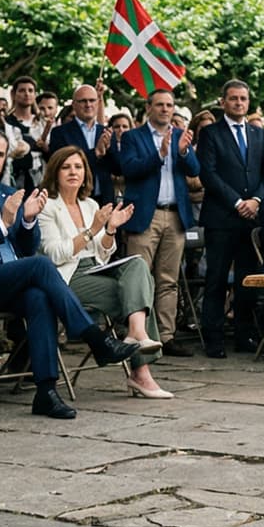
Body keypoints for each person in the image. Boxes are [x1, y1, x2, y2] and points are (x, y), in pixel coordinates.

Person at [0, 126, 139, 419]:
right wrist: (2, 224)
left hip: (8, 279)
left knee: (39, 297)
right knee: (41, 266)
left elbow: (27, 247)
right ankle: (94, 336)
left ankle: (46, 391)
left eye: (0, 154)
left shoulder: (7, 192)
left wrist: (27, 221)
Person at [36, 145, 170, 399]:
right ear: (55, 172)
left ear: (86, 173)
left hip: (95, 267)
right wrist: (92, 229)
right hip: (66, 277)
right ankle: (141, 371)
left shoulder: (89, 204)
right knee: (140, 293)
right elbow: (55, 254)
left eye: (78, 167)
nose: (73, 172)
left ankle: (136, 334)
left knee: (139, 265)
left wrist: (109, 230)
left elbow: (102, 252)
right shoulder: (47, 206)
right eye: (66, 167)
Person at [116, 88, 201, 354]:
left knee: (168, 279)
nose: (166, 109)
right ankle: (137, 334)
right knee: (138, 277)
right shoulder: (133, 136)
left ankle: (166, 336)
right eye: (160, 105)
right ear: (149, 107)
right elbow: (128, 168)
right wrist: (160, 154)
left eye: (170, 105)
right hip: (145, 215)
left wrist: (184, 153)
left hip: (174, 214)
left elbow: (195, 171)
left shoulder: (178, 136)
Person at [196, 79, 264, 357]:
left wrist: (256, 200)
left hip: (251, 218)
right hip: (221, 218)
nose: (239, 103)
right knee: (216, 280)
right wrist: (238, 201)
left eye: (243, 99)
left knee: (246, 281)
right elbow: (208, 174)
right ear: (223, 102)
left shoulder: (259, 134)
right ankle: (213, 338)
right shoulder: (211, 133)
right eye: (234, 98)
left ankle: (244, 335)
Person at [50, 84, 117, 202]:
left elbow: (117, 170)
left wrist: (110, 151)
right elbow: (59, 166)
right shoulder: (60, 133)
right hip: (74, 200)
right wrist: (95, 153)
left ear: (98, 103)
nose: (88, 105)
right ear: (74, 104)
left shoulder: (106, 132)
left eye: (92, 100)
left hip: (104, 200)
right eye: (83, 101)